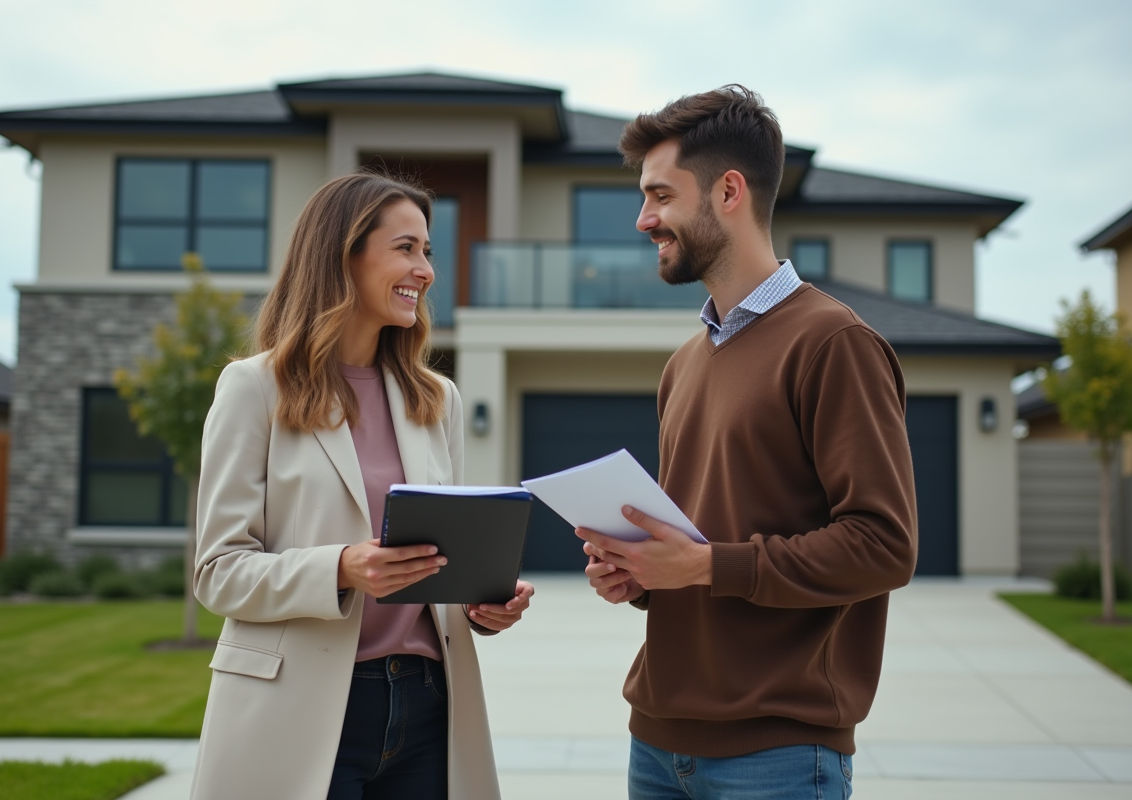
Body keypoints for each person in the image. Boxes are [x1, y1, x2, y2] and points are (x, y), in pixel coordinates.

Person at [576, 85, 918, 799]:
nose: (644, 220)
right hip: (658, 740)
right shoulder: (684, 363)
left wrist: (701, 566)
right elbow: (708, 543)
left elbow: (884, 545)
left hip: (780, 753)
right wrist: (645, 574)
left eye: (660, 196)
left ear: (728, 191)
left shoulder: (834, 343)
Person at [190, 171, 533, 800]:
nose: (425, 270)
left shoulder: (437, 400)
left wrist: (483, 606)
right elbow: (218, 571)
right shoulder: (255, 389)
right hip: (300, 707)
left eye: (427, 252)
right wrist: (342, 568)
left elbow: (436, 567)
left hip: (429, 706)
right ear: (343, 253)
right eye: (406, 248)